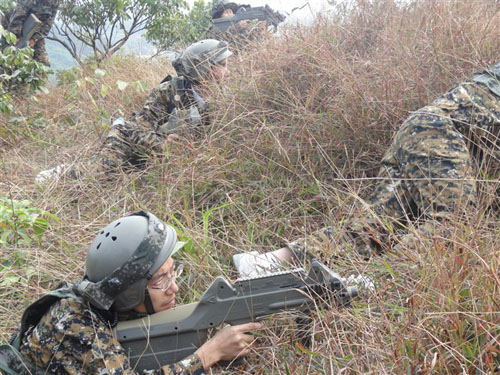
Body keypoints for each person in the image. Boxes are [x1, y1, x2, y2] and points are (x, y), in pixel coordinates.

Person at [237, 62, 500, 272]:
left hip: (421, 129)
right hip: (439, 133)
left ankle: (266, 263)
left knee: (378, 224)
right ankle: (376, 283)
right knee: (455, 226)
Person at [0, 211, 262, 374]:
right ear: (128, 293)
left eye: (173, 272)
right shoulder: (81, 327)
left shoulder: (104, 302)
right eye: (161, 280)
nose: (175, 288)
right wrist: (210, 353)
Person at [35, 39, 232, 182]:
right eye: (221, 65)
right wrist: (163, 145)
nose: (227, 72)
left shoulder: (221, 99)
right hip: (127, 137)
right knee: (102, 171)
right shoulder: (169, 91)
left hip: (152, 154)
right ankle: (56, 174)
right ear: (201, 67)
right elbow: (137, 130)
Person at [1, 0, 60, 66]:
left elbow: (48, 24)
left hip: (34, 30)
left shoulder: (55, 1)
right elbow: (18, 16)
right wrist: (17, 37)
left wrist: (35, 39)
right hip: (13, 26)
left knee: (44, 63)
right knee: (8, 56)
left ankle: (39, 75)